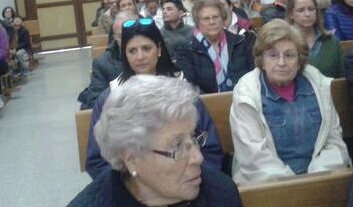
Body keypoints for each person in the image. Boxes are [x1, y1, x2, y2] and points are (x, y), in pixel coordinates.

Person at [68, 76, 242, 207]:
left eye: (193, 138)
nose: (198, 158)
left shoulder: (220, 194)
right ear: (132, 159)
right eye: (177, 146)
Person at [86, 17, 223, 179]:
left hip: (186, 180)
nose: (140, 56)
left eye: (146, 48)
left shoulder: (183, 92)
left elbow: (210, 148)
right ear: (125, 55)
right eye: (132, 51)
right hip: (132, 188)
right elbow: (97, 160)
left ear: (159, 49)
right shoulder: (111, 98)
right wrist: (134, 188)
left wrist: (190, 178)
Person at [230, 19, 350, 184]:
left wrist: (317, 179)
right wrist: (293, 190)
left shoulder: (317, 83)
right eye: (273, 55)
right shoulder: (247, 93)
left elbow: (333, 141)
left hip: (320, 181)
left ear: (299, 60)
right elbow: (253, 158)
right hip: (267, 186)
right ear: (261, 60)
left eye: (289, 55)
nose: (281, 63)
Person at [176, 0, 254, 93]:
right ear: (197, 23)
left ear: (223, 19)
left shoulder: (240, 42)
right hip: (207, 104)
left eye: (216, 17)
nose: (212, 22)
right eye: (206, 18)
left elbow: (253, 76)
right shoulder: (186, 49)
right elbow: (190, 86)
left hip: (243, 100)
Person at [77, 11, 138, 109]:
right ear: (114, 37)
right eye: (121, 36)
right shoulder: (103, 63)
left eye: (131, 34)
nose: (127, 39)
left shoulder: (153, 55)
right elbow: (94, 101)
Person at [287, 0, 344, 77]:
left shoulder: (332, 42)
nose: (307, 14)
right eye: (301, 10)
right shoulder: (283, 41)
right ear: (291, 14)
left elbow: (342, 77)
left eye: (311, 9)